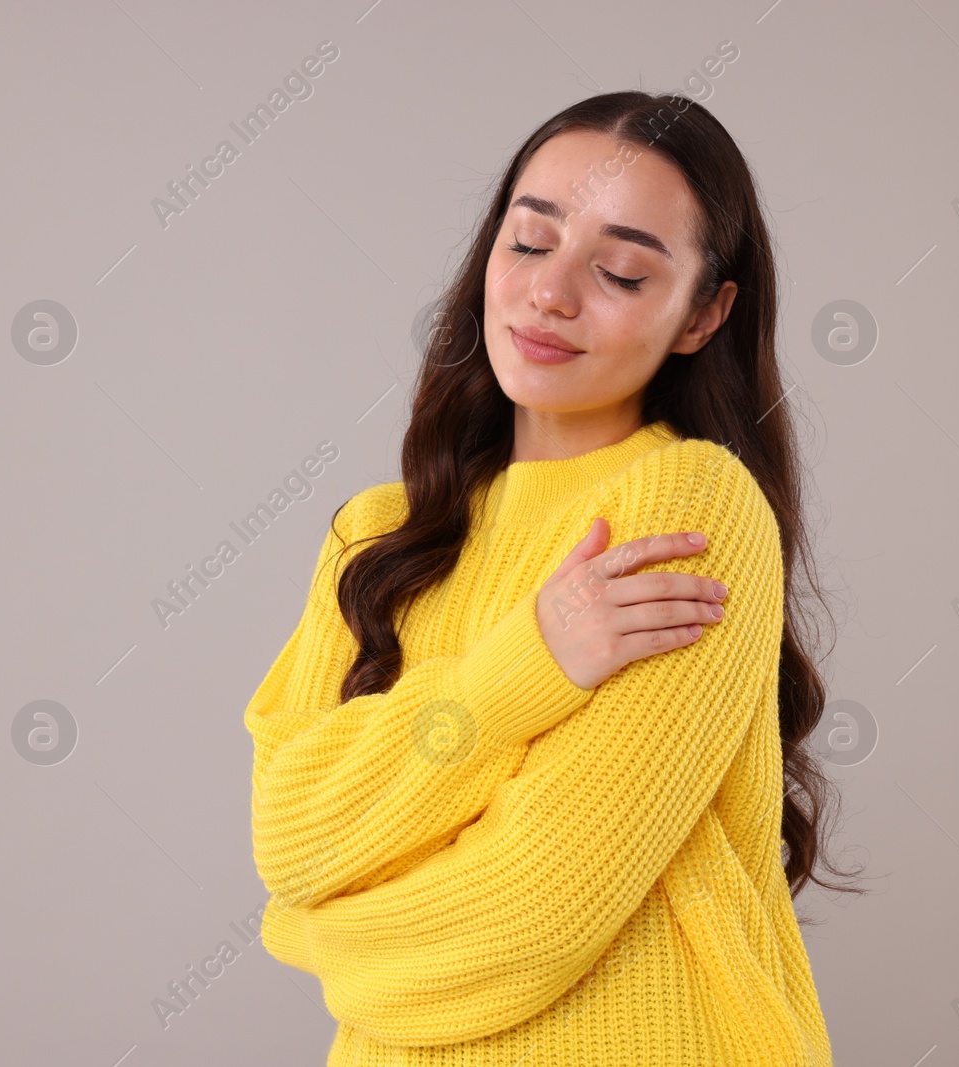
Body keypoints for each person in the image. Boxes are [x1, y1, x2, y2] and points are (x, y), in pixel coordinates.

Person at [244, 91, 861, 1065]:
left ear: (703, 312)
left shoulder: (683, 504)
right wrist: (519, 673)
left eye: (618, 270)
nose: (550, 293)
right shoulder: (377, 535)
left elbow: (527, 917)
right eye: (528, 244)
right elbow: (292, 836)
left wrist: (319, 934)